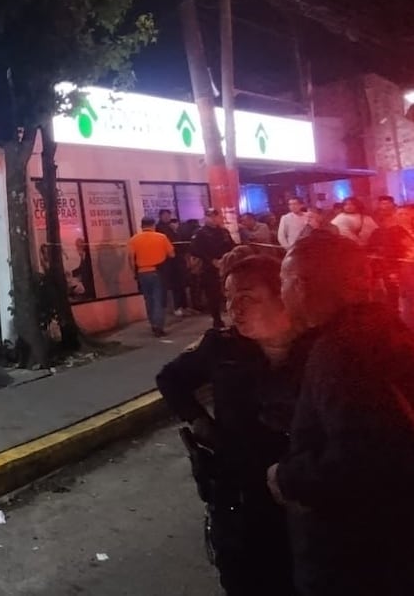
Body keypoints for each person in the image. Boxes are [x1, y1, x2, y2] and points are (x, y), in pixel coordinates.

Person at [267, 232, 414, 596]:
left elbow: (362, 457)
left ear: (300, 285)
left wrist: (286, 477)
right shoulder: (381, 328)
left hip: (357, 554)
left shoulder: (339, 351)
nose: (281, 290)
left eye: (283, 280)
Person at [157, 255, 308, 596]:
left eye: (247, 298)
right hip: (239, 501)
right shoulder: (222, 347)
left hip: (304, 503)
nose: (234, 310)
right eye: (229, 300)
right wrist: (199, 421)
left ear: (283, 294)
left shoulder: (320, 350)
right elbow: (171, 379)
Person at [128, 216, 175, 337]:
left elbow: (131, 259)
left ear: (141, 226)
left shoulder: (134, 239)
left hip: (142, 273)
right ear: (153, 225)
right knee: (158, 299)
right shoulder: (161, 237)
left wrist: (135, 273)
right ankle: (158, 326)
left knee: (148, 300)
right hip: (158, 272)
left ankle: (153, 323)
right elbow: (172, 254)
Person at [191, 208, 236, 328]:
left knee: (229, 293)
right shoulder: (200, 233)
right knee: (213, 295)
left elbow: (231, 246)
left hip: (226, 266)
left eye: (215, 216)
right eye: (210, 216)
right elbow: (196, 250)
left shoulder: (224, 232)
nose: (213, 218)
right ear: (206, 218)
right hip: (209, 269)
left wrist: (227, 259)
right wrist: (211, 260)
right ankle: (217, 319)